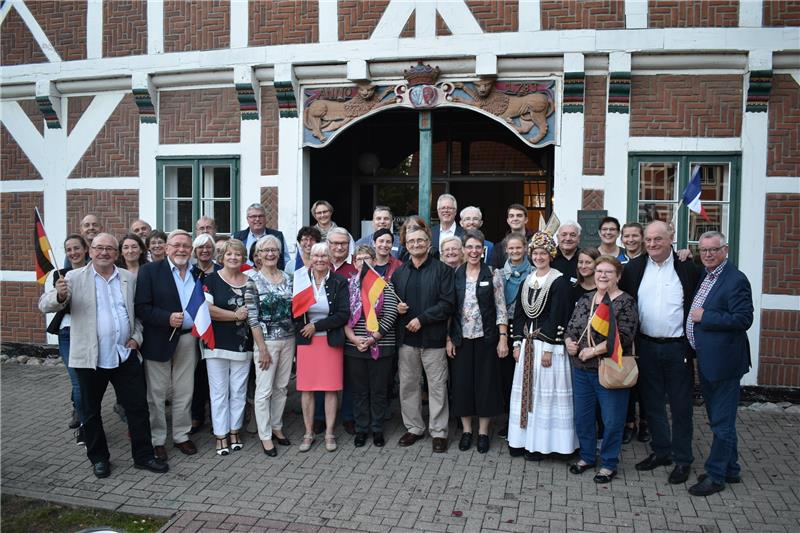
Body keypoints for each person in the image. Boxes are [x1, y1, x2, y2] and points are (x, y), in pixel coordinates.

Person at [39, 233, 168, 478]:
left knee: (138, 408)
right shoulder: (73, 278)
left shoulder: (128, 279)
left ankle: (143, 456)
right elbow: (45, 305)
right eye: (99, 248)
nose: (104, 253)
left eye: (109, 248)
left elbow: (136, 315)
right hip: (91, 359)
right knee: (90, 410)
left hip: (124, 354)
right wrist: (59, 295)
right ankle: (99, 458)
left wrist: (136, 339)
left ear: (117, 254)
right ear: (91, 251)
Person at [620, 220, 699, 485]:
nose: (652, 244)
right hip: (647, 346)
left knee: (681, 407)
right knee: (652, 404)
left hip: (678, 347)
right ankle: (661, 451)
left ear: (671, 239)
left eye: (658, 239)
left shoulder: (686, 267)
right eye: (649, 240)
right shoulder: (633, 268)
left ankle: (683, 459)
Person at [686, 231, 753, 497]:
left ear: (725, 249)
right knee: (718, 418)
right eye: (703, 250)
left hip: (725, 363)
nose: (708, 255)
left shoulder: (735, 280)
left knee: (721, 423)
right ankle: (731, 468)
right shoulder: (705, 274)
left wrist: (706, 316)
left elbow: (743, 319)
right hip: (708, 360)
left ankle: (716, 476)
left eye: (713, 250)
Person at [565, 255, 639, 483]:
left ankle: (608, 463)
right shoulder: (586, 299)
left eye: (608, 272)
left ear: (618, 276)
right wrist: (568, 341)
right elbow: (572, 326)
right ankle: (587, 456)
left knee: (612, 420)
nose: (603, 276)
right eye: (599, 271)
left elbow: (625, 336)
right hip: (581, 370)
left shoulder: (625, 302)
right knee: (583, 417)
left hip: (609, 369)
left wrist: (593, 351)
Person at [507, 231, 577, 460]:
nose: (538, 257)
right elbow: (519, 314)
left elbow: (558, 315)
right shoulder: (528, 280)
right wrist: (517, 343)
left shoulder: (558, 281)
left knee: (545, 397)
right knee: (526, 395)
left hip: (549, 348)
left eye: (543, 253)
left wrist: (548, 347)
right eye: (535, 253)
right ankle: (524, 441)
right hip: (527, 345)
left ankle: (547, 445)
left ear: (550, 255)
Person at [134, 229, 200, 461]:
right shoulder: (149, 271)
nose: (181, 249)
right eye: (177, 245)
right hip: (159, 339)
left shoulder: (197, 272)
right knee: (156, 393)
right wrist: (166, 318)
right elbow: (141, 307)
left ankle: (181, 435)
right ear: (167, 248)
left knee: (185, 391)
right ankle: (157, 439)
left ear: (191, 250)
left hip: (188, 338)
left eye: (186, 246)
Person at [391, 227, 455, 453]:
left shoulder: (443, 270)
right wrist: (396, 307)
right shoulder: (399, 273)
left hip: (434, 340)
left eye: (420, 240)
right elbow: (392, 301)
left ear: (429, 243)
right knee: (408, 386)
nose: (416, 244)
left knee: (437, 387)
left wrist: (422, 319)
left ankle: (438, 432)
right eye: (411, 241)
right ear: (406, 245)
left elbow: (447, 304)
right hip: (407, 341)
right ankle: (414, 428)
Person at [447, 230, 508, 454]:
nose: (473, 252)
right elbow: (450, 311)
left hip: (486, 338)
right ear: (463, 250)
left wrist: (503, 338)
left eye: (477, 248)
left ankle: (482, 432)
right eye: (469, 247)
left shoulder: (493, 273)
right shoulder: (455, 274)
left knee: (485, 384)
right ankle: (466, 431)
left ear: (483, 250)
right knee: (462, 384)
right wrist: (448, 338)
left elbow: (501, 308)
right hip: (460, 338)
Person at [293, 242, 350, 452]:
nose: (319, 259)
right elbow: (294, 312)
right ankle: (308, 433)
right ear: (310, 257)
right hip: (307, 344)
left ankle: (329, 433)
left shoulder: (339, 282)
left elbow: (343, 314)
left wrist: (316, 325)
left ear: (330, 259)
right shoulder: (300, 281)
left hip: (329, 342)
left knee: (330, 389)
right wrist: (304, 325)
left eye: (324, 256)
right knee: (306, 389)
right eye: (315, 256)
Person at [201, 239, 253, 456]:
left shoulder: (250, 281)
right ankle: (221, 434)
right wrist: (235, 315)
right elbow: (207, 309)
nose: (233, 257)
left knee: (239, 391)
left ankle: (234, 431)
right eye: (229, 254)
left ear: (243, 258)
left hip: (242, 344)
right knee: (219, 392)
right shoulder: (210, 280)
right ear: (222, 257)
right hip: (216, 343)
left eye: (238, 254)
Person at [344, 245, 399, 447]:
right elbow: (342, 315)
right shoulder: (347, 286)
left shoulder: (384, 285)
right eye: (359, 259)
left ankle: (377, 429)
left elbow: (392, 313)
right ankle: (361, 429)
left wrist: (373, 338)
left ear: (374, 261)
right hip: (355, 346)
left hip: (382, 344)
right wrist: (354, 339)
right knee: (359, 391)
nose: (363, 262)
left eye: (367, 258)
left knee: (378, 390)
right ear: (354, 262)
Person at [245, 235, 295, 456]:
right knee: (264, 390)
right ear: (258, 255)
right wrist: (262, 348)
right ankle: (265, 436)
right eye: (265, 250)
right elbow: (252, 319)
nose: (270, 254)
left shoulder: (288, 277)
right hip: (267, 342)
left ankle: (277, 427)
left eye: (274, 249)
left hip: (289, 339)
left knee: (282, 387)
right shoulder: (252, 281)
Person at [47, 234, 89, 436]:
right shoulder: (60, 275)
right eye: (69, 250)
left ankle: (88, 417)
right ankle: (84, 426)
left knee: (87, 381)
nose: (73, 252)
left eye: (76, 248)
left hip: (89, 332)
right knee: (77, 381)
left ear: (85, 249)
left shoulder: (95, 271)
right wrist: (60, 294)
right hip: (67, 332)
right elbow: (56, 303)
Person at [497, 232, 532, 438]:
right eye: (511, 248)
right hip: (504, 330)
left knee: (525, 376)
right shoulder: (499, 274)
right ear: (506, 250)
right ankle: (509, 420)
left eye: (519, 247)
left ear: (525, 248)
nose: (515, 251)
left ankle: (526, 420)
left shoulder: (534, 272)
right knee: (507, 377)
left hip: (527, 330)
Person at [189, 233, 221, 435]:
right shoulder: (188, 271)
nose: (204, 250)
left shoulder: (220, 271)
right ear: (195, 250)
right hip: (193, 329)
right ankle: (196, 415)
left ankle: (215, 418)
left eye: (208, 247)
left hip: (217, 329)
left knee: (215, 375)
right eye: (200, 247)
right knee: (196, 374)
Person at [232, 203, 289, 269]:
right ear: (247, 219)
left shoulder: (277, 236)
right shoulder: (237, 237)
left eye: (260, 216)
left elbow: (286, 261)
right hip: (243, 276)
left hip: (271, 276)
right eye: (253, 216)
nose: (257, 219)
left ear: (265, 218)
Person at [490, 204, 533, 268]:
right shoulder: (499, 247)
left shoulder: (535, 242)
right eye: (511, 216)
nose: (515, 219)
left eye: (519, 216)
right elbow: (495, 270)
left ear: (526, 219)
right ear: (508, 221)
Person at [431, 194, 464, 258]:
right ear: (438, 211)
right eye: (443, 208)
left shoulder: (464, 233)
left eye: (449, 208)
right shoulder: (430, 232)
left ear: (455, 211)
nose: (446, 211)